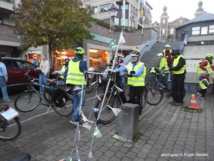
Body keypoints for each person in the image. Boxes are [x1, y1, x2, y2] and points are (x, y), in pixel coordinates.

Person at [114, 50, 146, 116]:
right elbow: (122, 68)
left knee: (138, 100)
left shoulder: (141, 65)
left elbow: (138, 73)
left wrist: (132, 74)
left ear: (138, 57)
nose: (133, 58)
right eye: (132, 57)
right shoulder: (129, 64)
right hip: (132, 85)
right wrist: (114, 70)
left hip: (139, 85)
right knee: (131, 99)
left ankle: (138, 114)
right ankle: (132, 113)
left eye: (135, 57)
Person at [66, 47, 88, 125]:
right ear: (81, 54)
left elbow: (66, 72)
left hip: (72, 85)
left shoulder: (71, 62)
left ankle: (77, 117)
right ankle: (74, 118)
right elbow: (86, 73)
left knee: (76, 101)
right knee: (82, 101)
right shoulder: (82, 62)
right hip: (79, 85)